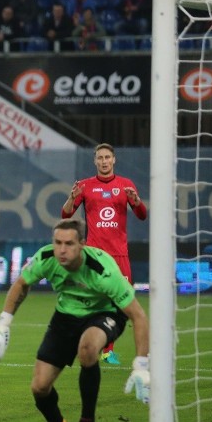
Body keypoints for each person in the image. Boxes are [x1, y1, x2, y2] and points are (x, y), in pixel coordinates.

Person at [0, 219, 150, 422]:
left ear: (82, 245)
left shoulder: (103, 270)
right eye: (57, 243)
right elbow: (21, 284)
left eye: (69, 243)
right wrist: (3, 324)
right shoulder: (47, 258)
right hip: (66, 316)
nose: (62, 249)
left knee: (87, 349)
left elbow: (138, 317)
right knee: (39, 387)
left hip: (105, 313)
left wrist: (141, 365)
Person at [60, 143, 148, 364]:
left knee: (122, 301)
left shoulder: (125, 185)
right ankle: (98, 347)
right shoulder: (84, 186)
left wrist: (136, 202)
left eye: (107, 157)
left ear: (114, 159)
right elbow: (65, 214)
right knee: (93, 300)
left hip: (119, 255)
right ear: (95, 161)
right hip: (94, 255)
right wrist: (72, 198)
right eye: (100, 157)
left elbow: (142, 215)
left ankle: (108, 348)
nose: (104, 161)